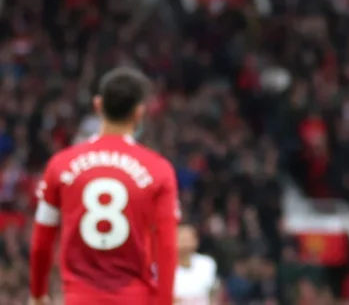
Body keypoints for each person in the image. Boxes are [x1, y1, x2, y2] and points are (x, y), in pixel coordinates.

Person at [29, 67, 181, 305]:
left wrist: (38, 294)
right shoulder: (159, 170)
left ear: (98, 105)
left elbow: (41, 243)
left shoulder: (60, 165)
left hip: (78, 298)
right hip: (135, 298)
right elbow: (167, 247)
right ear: (139, 112)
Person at [173, 223, 220, 305]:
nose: (186, 244)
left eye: (189, 239)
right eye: (182, 239)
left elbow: (214, 290)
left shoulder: (207, 264)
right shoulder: (160, 269)